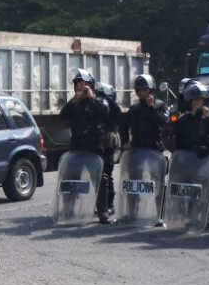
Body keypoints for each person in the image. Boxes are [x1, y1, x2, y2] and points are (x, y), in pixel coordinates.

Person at [59, 69, 112, 223]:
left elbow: (105, 112)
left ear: (91, 86)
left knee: (100, 178)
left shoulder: (98, 101)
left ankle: (103, 212)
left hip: (94, 147)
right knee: (71, 178)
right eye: (78, 85)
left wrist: (91, 98)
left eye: (84, 85)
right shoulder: (74, 104)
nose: (81, 88)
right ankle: (69, 210)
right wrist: (73, 100)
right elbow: (62, 116)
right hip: (77, 147)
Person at [172, 83, 209, 161]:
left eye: (198, 99)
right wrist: (191, 117)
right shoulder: (185, 118)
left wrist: (206, 118)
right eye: (193, 100)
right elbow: (176, 134)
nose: (195, 102)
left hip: (206, 159)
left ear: (204, 101)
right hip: (188, 158)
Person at [120, 74, 168, 151]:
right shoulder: (134, 109)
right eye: (139, 90)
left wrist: (151, 107)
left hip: (155, 150)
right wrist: (125, 143)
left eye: (144, 90)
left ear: (151, 90)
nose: (141, 93)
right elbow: (123, 127)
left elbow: (164, 123)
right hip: (137, 149)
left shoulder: (159, 106)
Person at [96, 82, 122, 218]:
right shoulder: (97, 107)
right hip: (97, 143)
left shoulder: (113, 109)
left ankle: (109, 204)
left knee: (107, 173)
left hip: (109, 143)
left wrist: (109, 100)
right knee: (96, 175)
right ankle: (99, 205)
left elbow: (118, 116)